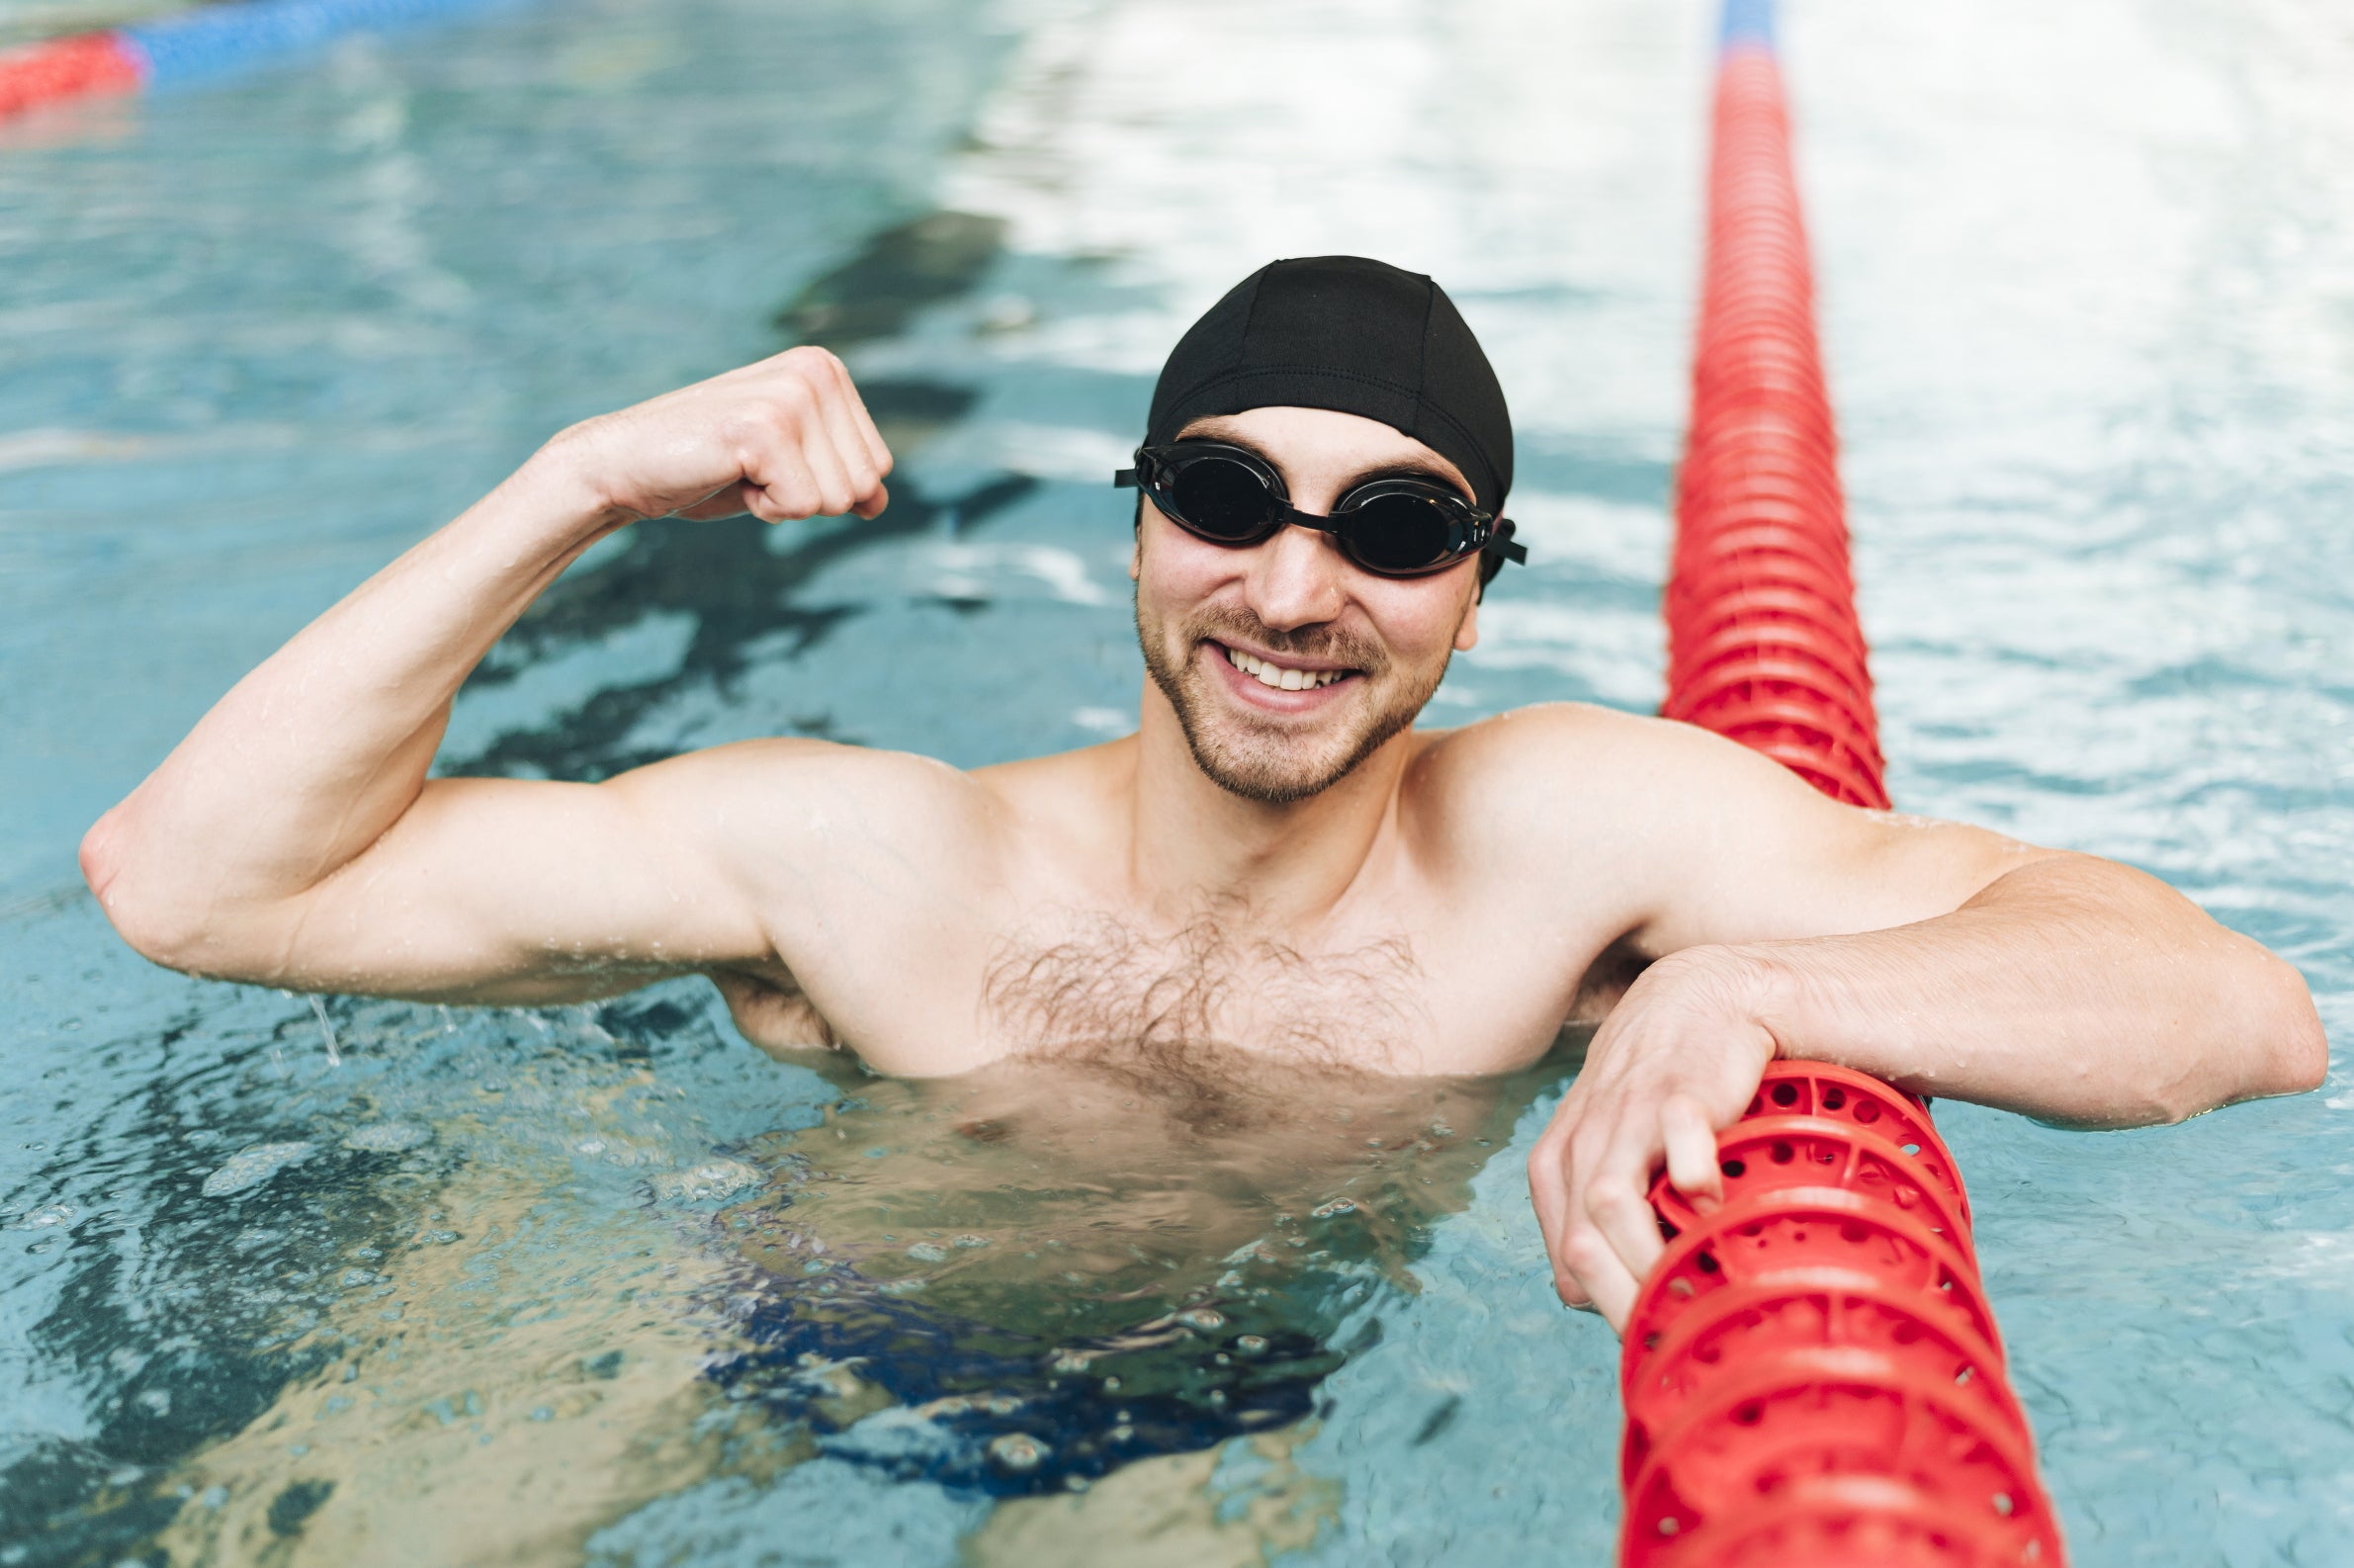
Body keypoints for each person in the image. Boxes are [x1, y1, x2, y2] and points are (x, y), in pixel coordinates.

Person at [80, 255, 2328, 1329]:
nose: (1294, 583)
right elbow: (185, 885)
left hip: (1198, 1440)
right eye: (1231, 494)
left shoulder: (1563, 839)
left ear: (1478, 601)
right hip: (728, 1337)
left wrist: (1754, 981)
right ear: (1138, 523)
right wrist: (571, 484)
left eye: (1400, 528)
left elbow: (2230, 1008)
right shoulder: (873, 856)